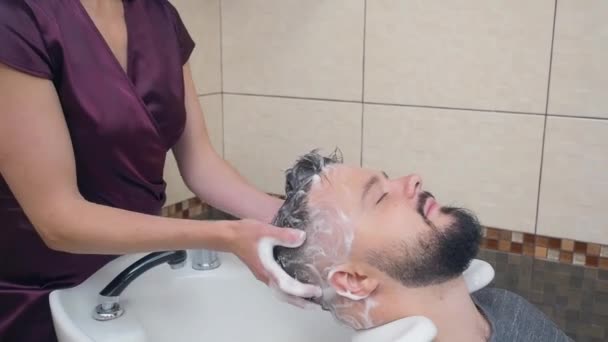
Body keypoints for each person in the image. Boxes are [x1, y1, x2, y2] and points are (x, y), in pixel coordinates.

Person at [0, 1, 318, 341]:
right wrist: (226, 236)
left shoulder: (158, 15)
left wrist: (295, 224)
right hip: (42, 294)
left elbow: (201, 163)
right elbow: (57, 220)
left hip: (132, 278)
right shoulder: (16, 19)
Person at [272, 149, 573, 342]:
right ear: (355, 280)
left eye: (388, 180)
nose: (413, 180)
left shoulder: (507, 306)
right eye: (379, 197)